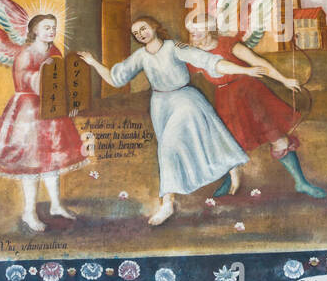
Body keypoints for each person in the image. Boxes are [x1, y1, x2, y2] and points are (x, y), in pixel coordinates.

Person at [79, 17, 260, 226]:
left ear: (154, 27)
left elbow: (210, 61)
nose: (140, 34)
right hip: (161, 105)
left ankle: (168, 203)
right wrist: (93, 63)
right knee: (190, 142)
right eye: (136, 33)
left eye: (143, 28)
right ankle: (231, 167)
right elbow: (115, 78)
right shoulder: (140, 56)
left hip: (185, 99)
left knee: (168, 147)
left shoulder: (174, 47)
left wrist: (245, 70)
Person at [0, 0, 85, 232]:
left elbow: (61, 79)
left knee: (52, 158)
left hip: (53, 111)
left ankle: (55, 204)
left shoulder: (54, 51)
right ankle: (29, 212)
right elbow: (25, 78)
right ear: (34, 31)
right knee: (31, 161)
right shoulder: (26, 53)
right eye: (47, 27)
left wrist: (68, 98)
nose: (52, 31)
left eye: (53, 27)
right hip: (29, 110)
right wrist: (46, 78)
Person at [184, 16, 325, 198]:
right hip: (225, 100)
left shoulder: (228, 45)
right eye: (191, 31)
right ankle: (229, 182)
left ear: (210, 29)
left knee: (277, 137)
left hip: (250, 94)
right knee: (230, 144)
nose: (194, 35)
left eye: (198, 30)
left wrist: (284, 80)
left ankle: (302, 183)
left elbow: (258, 62)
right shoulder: (192, 54)